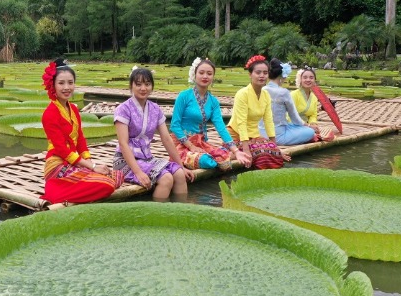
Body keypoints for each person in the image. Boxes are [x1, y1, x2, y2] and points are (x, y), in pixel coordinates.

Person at [40, 59, 123, 207]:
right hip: (57, 164)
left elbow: (81, 141)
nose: (67, 87)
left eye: (70, 83)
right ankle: (56, 190)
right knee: (107, 185)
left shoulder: (73, 109)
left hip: (75, 163)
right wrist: (92, 167)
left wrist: (89, 163)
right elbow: (62, 150)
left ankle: (78, 185)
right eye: (61, 83)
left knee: (117, 176)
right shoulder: (49, 114)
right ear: (52, 85)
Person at [112, 67, 195, 200]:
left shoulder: (155, 109)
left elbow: (167, 139)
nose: (143, 88)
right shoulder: (123, 109)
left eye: (147, 84)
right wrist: (138, 173)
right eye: (138, 84)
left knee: (179, 173)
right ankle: (156, 216)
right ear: (131, 86)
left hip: (146, 159)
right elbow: (123, 143)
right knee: (166, 178)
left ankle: (182, 212)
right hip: (125, 162)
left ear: (152, 86)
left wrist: (181, 165)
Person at [170, 57, 250, 171]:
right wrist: (191, 146)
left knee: (225, 154)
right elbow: (174, 125)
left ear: (213, 77)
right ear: (195, 74)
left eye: (209, 73)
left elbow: (221, 127)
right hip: (181, 143)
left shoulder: (213, 101)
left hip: (201, 144)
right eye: (201, 73)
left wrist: (236, 151)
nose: (205, 76)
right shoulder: (184, 96)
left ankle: (210, 156)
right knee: (207, 161)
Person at [227, 55, 290, 169]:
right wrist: (246, 149)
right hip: (236, 135)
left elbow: (268, 121)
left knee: (274, 153)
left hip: (254, 135)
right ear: (250, 74)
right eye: (258, 72)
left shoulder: (265, 95)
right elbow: (241, 122)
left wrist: (275, 146)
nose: (262, 76)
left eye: (265, 73)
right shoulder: (242, 94)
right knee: (262, 155)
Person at [259, 58, 316, 145]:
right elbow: (295, 119)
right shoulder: (284, 92)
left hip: (260, 132)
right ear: (282, 75)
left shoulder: (261, 89)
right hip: (278, 136)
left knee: (291, 126)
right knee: (310, 132)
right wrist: (309, 126)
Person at [291, 67, 335, 142]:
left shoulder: (314, 97)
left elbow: (313, 114)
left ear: (314, 81)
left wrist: (313, 124)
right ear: (300, 80)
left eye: (311, 78)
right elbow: (289, 115)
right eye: (305, 77)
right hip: (291, 125)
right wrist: (307, 125)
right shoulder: (293, 95)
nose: (308, 80)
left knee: (328, 132)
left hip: (307, 126)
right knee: (311, 133)